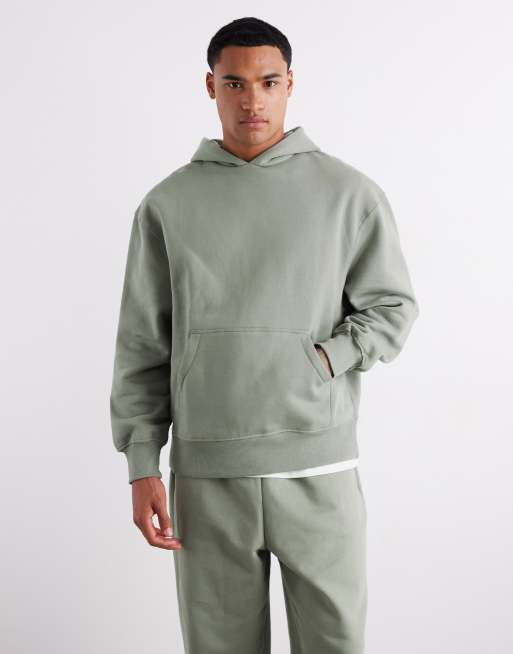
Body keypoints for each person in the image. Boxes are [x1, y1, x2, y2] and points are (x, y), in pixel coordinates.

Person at [109, 16, 419, 654]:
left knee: (335, 645)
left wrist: (323, 360)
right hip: (208, 475)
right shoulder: (168, 204)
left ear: (290, 84)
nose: (252, 100)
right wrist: (142, 464)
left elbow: (392, 306)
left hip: (318, 468)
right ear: (211, 87)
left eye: (268, 82)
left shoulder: (348, 194)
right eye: (235, 83)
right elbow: (143, 344)